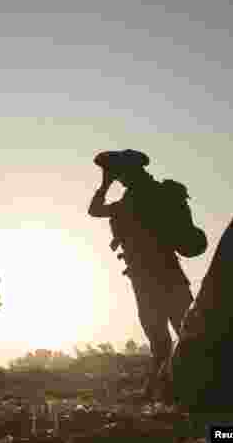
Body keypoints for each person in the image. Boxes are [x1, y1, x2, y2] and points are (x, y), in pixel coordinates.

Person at [88, 149, 196, 400]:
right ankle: (166, 389)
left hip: (155, 278)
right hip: (157, 277)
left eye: (119, 174)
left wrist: (105, 185)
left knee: (175, 336)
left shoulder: (139, 200)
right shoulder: (150, 195)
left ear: (130, 172)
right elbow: (95, 211)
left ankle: (171, 390)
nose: (119, 180)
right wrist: (107, 182)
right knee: (179, 334)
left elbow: (95, 210)